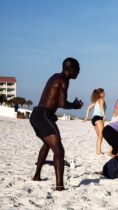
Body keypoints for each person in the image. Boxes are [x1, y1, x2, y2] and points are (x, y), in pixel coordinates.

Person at [30, 57, 83, 191]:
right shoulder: (63, 80)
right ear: (70, 69)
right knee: (59, 150)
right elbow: (62, 103)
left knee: (48, 144)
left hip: (36, 115)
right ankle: (59, 186)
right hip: (44, 116)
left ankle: (37, 175)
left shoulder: (55, 76)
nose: (78, 72)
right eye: (77, 69)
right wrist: (75, 106)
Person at [85, 88, 107, 154]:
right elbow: (101, 107)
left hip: (93, 119)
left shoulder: (96, 101)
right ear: (100, 94)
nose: (104, 94)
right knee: (101, 134)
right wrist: (104, 116)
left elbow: (89, 108)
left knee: (99, 135)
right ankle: (98, 151)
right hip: (98, 118)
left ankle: (98, 150)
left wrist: (87, 117)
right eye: (103, 93)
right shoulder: (101, 100)